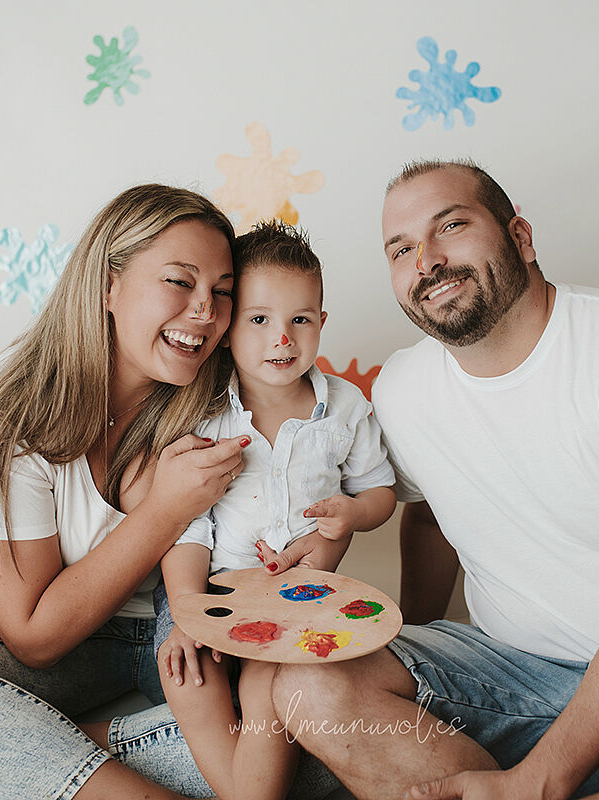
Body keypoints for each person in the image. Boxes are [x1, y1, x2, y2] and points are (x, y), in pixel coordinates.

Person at [268, 160, 599, 799]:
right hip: (509, 675)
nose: (427, 260)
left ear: (520, 237)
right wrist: (416, 641)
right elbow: (428, 516)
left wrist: (538, 782)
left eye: (451, 226)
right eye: (402, 248)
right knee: (309, 687)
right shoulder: (401, 389)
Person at [0, 185, 338, 799]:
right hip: (71, 633)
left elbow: (318, 475)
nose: (206, 311)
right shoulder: (15, 403)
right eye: (179, 282)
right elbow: (32, 636)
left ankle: (3, 749)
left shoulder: (237, 376)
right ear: (109, 283)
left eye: (223, 290)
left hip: (195, 634)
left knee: (322, 726)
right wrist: (165, 509)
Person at [151, 220, 397, 800]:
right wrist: (189, 609)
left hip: (295, 598)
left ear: (321, 323)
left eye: (300, 320)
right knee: (187, 676)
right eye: (259, 320)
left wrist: (353, 516)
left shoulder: (344, 408)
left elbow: (380, 493)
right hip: (212, 586)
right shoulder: (207, 415)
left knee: (269, 685)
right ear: (229, 327)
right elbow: (186, 524)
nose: (281, 339)